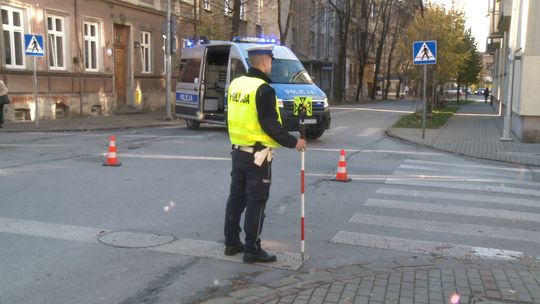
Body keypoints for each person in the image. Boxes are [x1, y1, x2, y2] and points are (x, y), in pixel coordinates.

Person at [224, 44, 307, 263]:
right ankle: (252, 249)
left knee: (236, 198)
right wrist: (294, 142)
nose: (271, 65)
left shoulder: (236, 84)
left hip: (238, 151)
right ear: (265, 63)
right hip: (258, 156)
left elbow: (231, 116)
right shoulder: (263, 89)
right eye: (270, 61)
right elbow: (270, 124)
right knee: (256, 201)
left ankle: (231, 243)